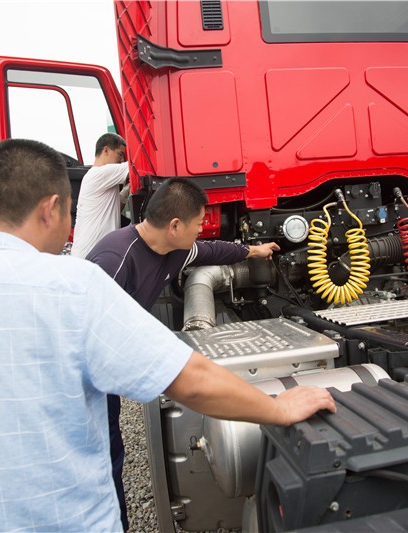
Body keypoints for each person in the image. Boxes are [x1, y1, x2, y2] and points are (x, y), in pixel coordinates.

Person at [0, 139, 335, 533]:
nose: (69, 228)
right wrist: (278, 409)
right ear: (50, 208)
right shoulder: (75, 285)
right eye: (67, 213)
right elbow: (191, 380)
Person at [86, 177, 280, 529]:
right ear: (174, 225)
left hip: (107, 376)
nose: (199, 232)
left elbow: (211, 251)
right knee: (97, 455)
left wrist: (252, 251)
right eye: (196, 225)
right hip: (87, 379)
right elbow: (88, 335)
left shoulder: (174, 248)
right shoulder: (114, 259)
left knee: (113, 450)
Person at [70, 132, 129, 260]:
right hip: (90, 257)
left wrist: (127, 189)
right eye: (120, 154)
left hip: (89, 255)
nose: (121, 160)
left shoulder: (102, 179)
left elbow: (114, 208)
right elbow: (136, 166)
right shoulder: (100, 174)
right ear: (106, 150)